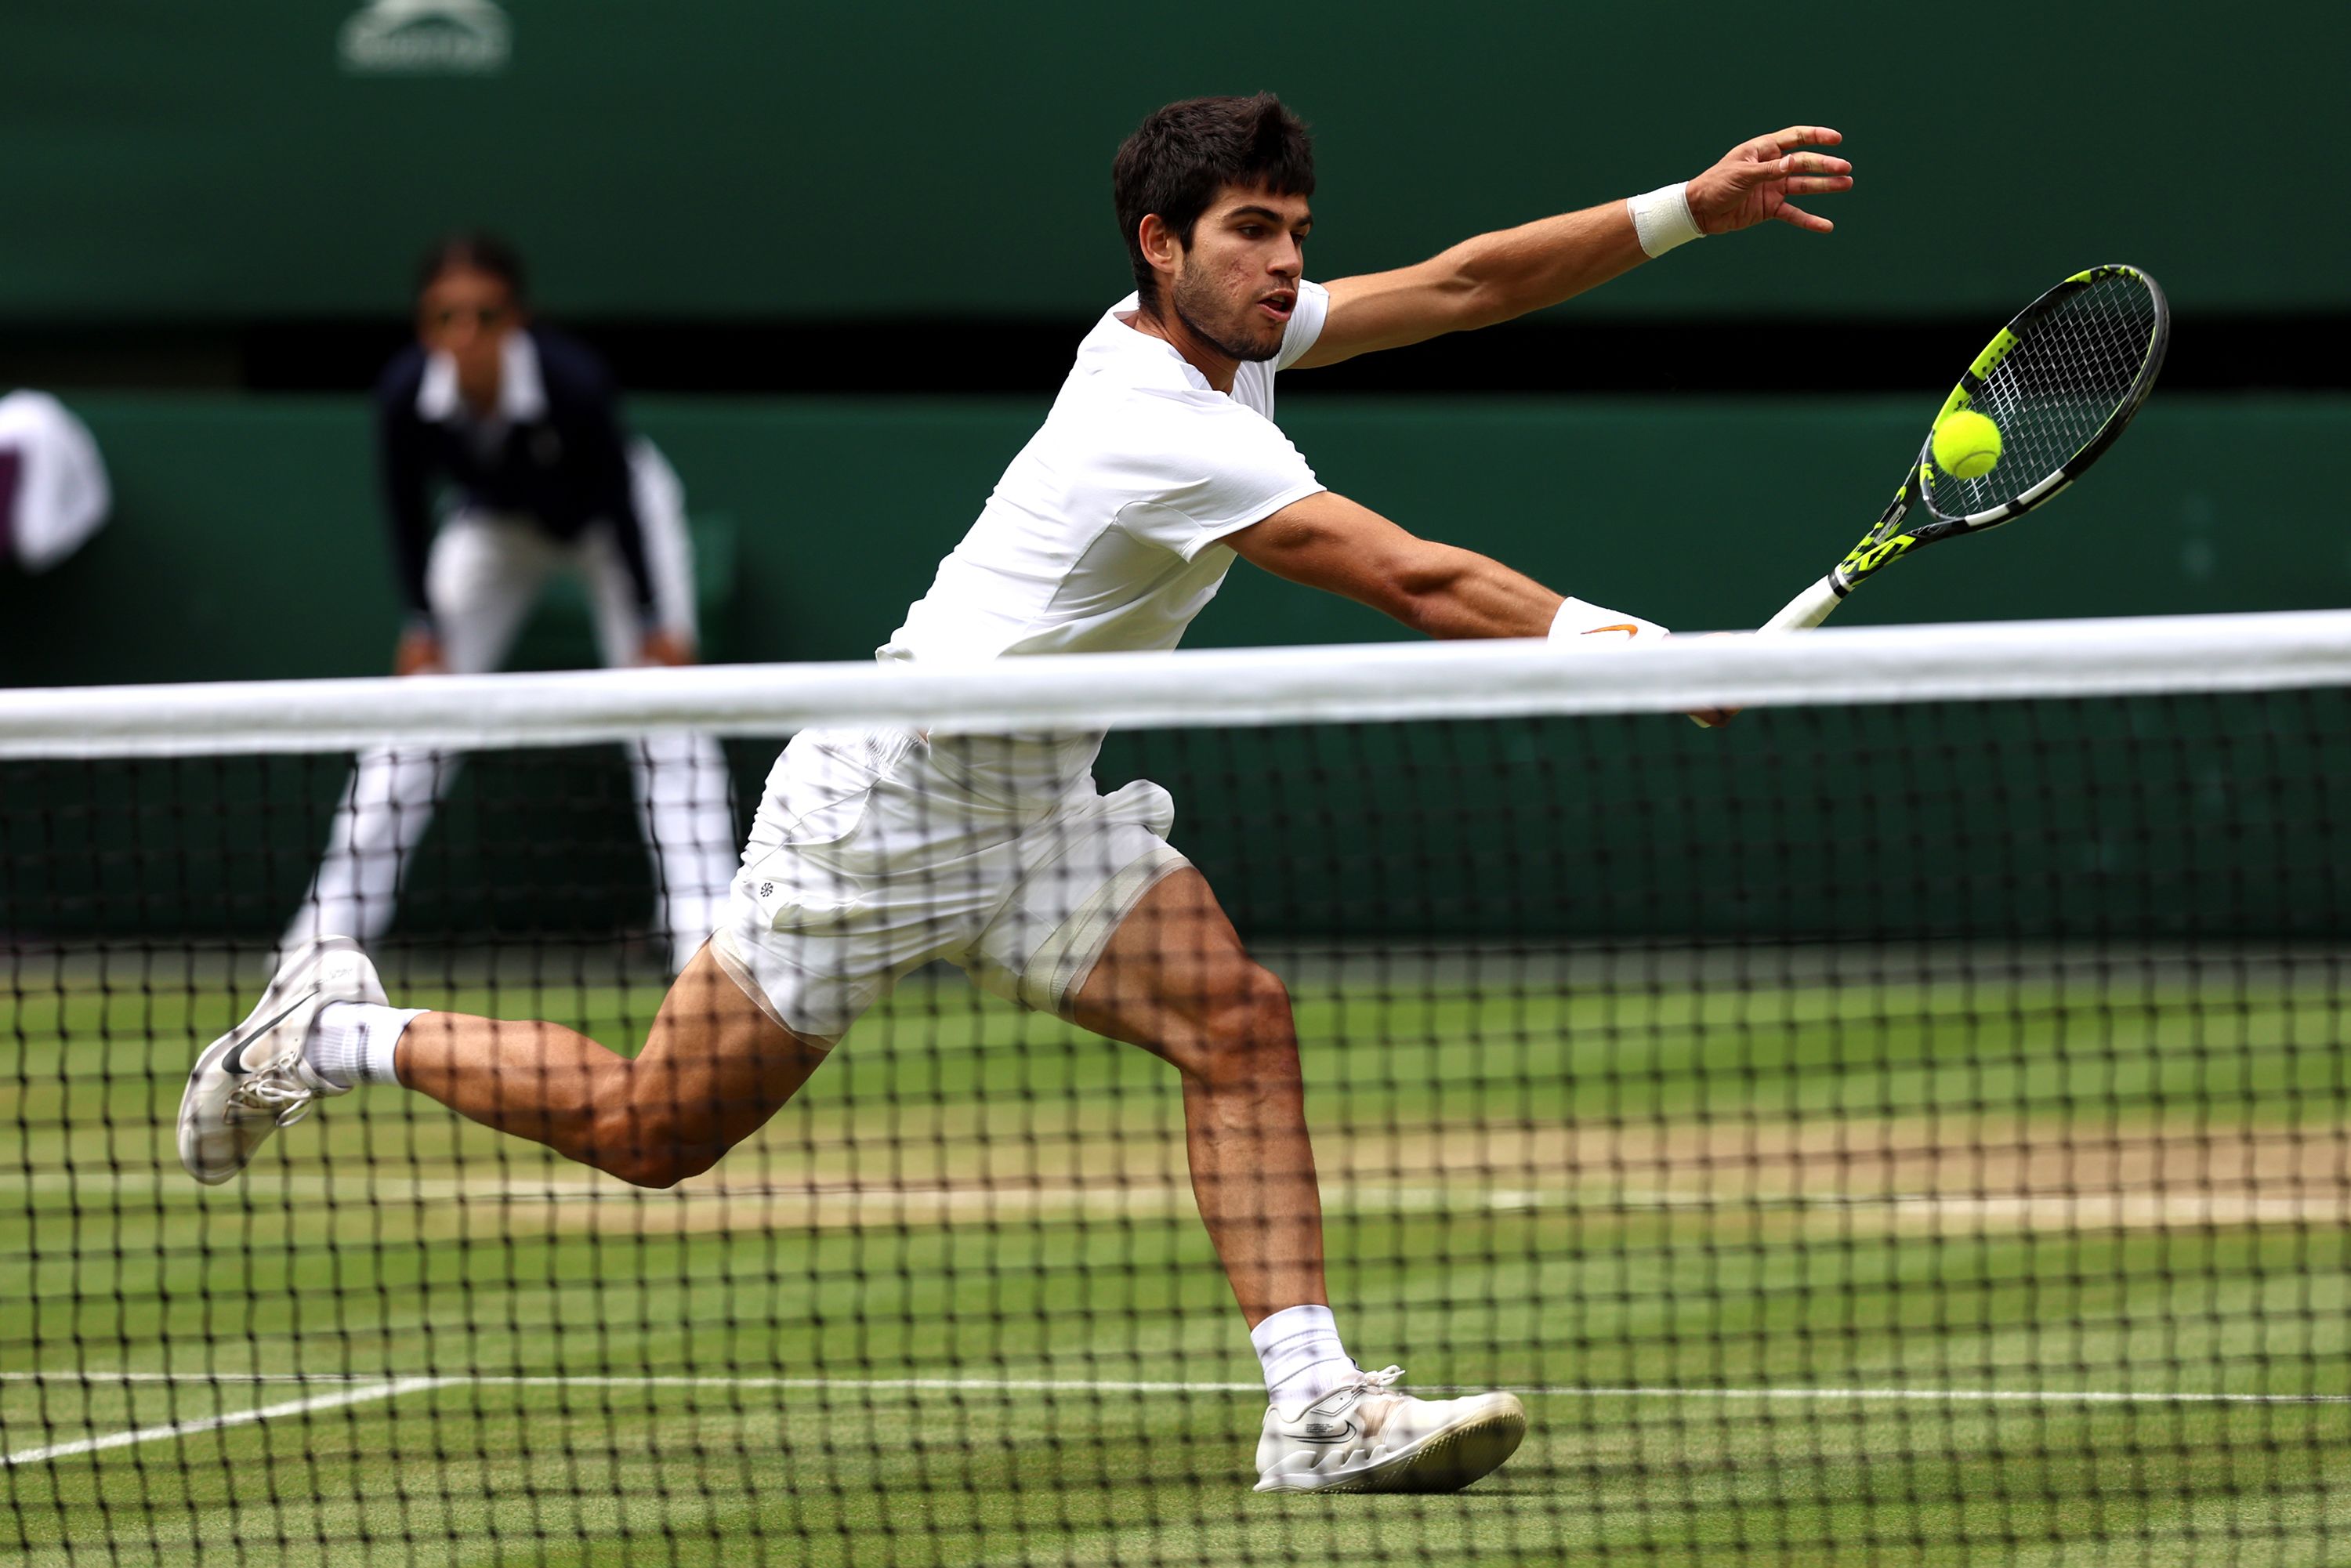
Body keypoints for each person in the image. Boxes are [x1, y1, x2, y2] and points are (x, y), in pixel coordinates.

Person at [183, 99, 1850, 1494]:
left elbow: (1471, 283)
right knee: (650, 1132)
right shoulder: (1158, 416)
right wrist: (1628, 645)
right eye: (1255, 231)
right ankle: (333, 1028)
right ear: (1162, 246)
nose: (1287, 263)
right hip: (883, 810)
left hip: (1035, 798)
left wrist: (1687, 211)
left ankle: (1314, 1403)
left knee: (1237, 1022)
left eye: (1295, 231)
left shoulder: (1236, 343)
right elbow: (1404, 575)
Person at [281, 234, 737, 976]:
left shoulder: (575, 382)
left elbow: (620, 504)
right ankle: (322, 940)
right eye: (445, 317)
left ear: (517, 320)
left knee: (667, 711)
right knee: (415, 715)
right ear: (424, 325)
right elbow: (402, 509)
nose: (465, 335)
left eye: (485, 315)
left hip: (616, 526)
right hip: (494, 527)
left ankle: (706, 942)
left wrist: (656, 621)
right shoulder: (404, 395)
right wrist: (421, 625)